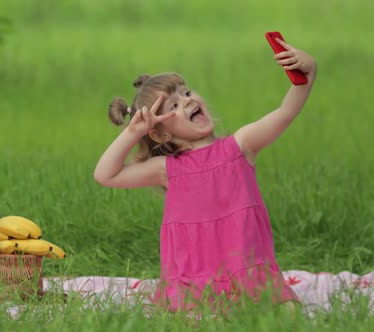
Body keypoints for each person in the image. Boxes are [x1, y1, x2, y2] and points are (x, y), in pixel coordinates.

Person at [93, 37, 317, 312]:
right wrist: (133, 132)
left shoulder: (240, 145)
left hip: (248, 276)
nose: (187, 102)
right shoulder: (167, 168)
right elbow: (105, 174)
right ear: (161, 133)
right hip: (193, 284)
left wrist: (306, 75)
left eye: (186, 94)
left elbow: (284, 113)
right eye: (173, 106)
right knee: (196, 320)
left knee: (288, 313)